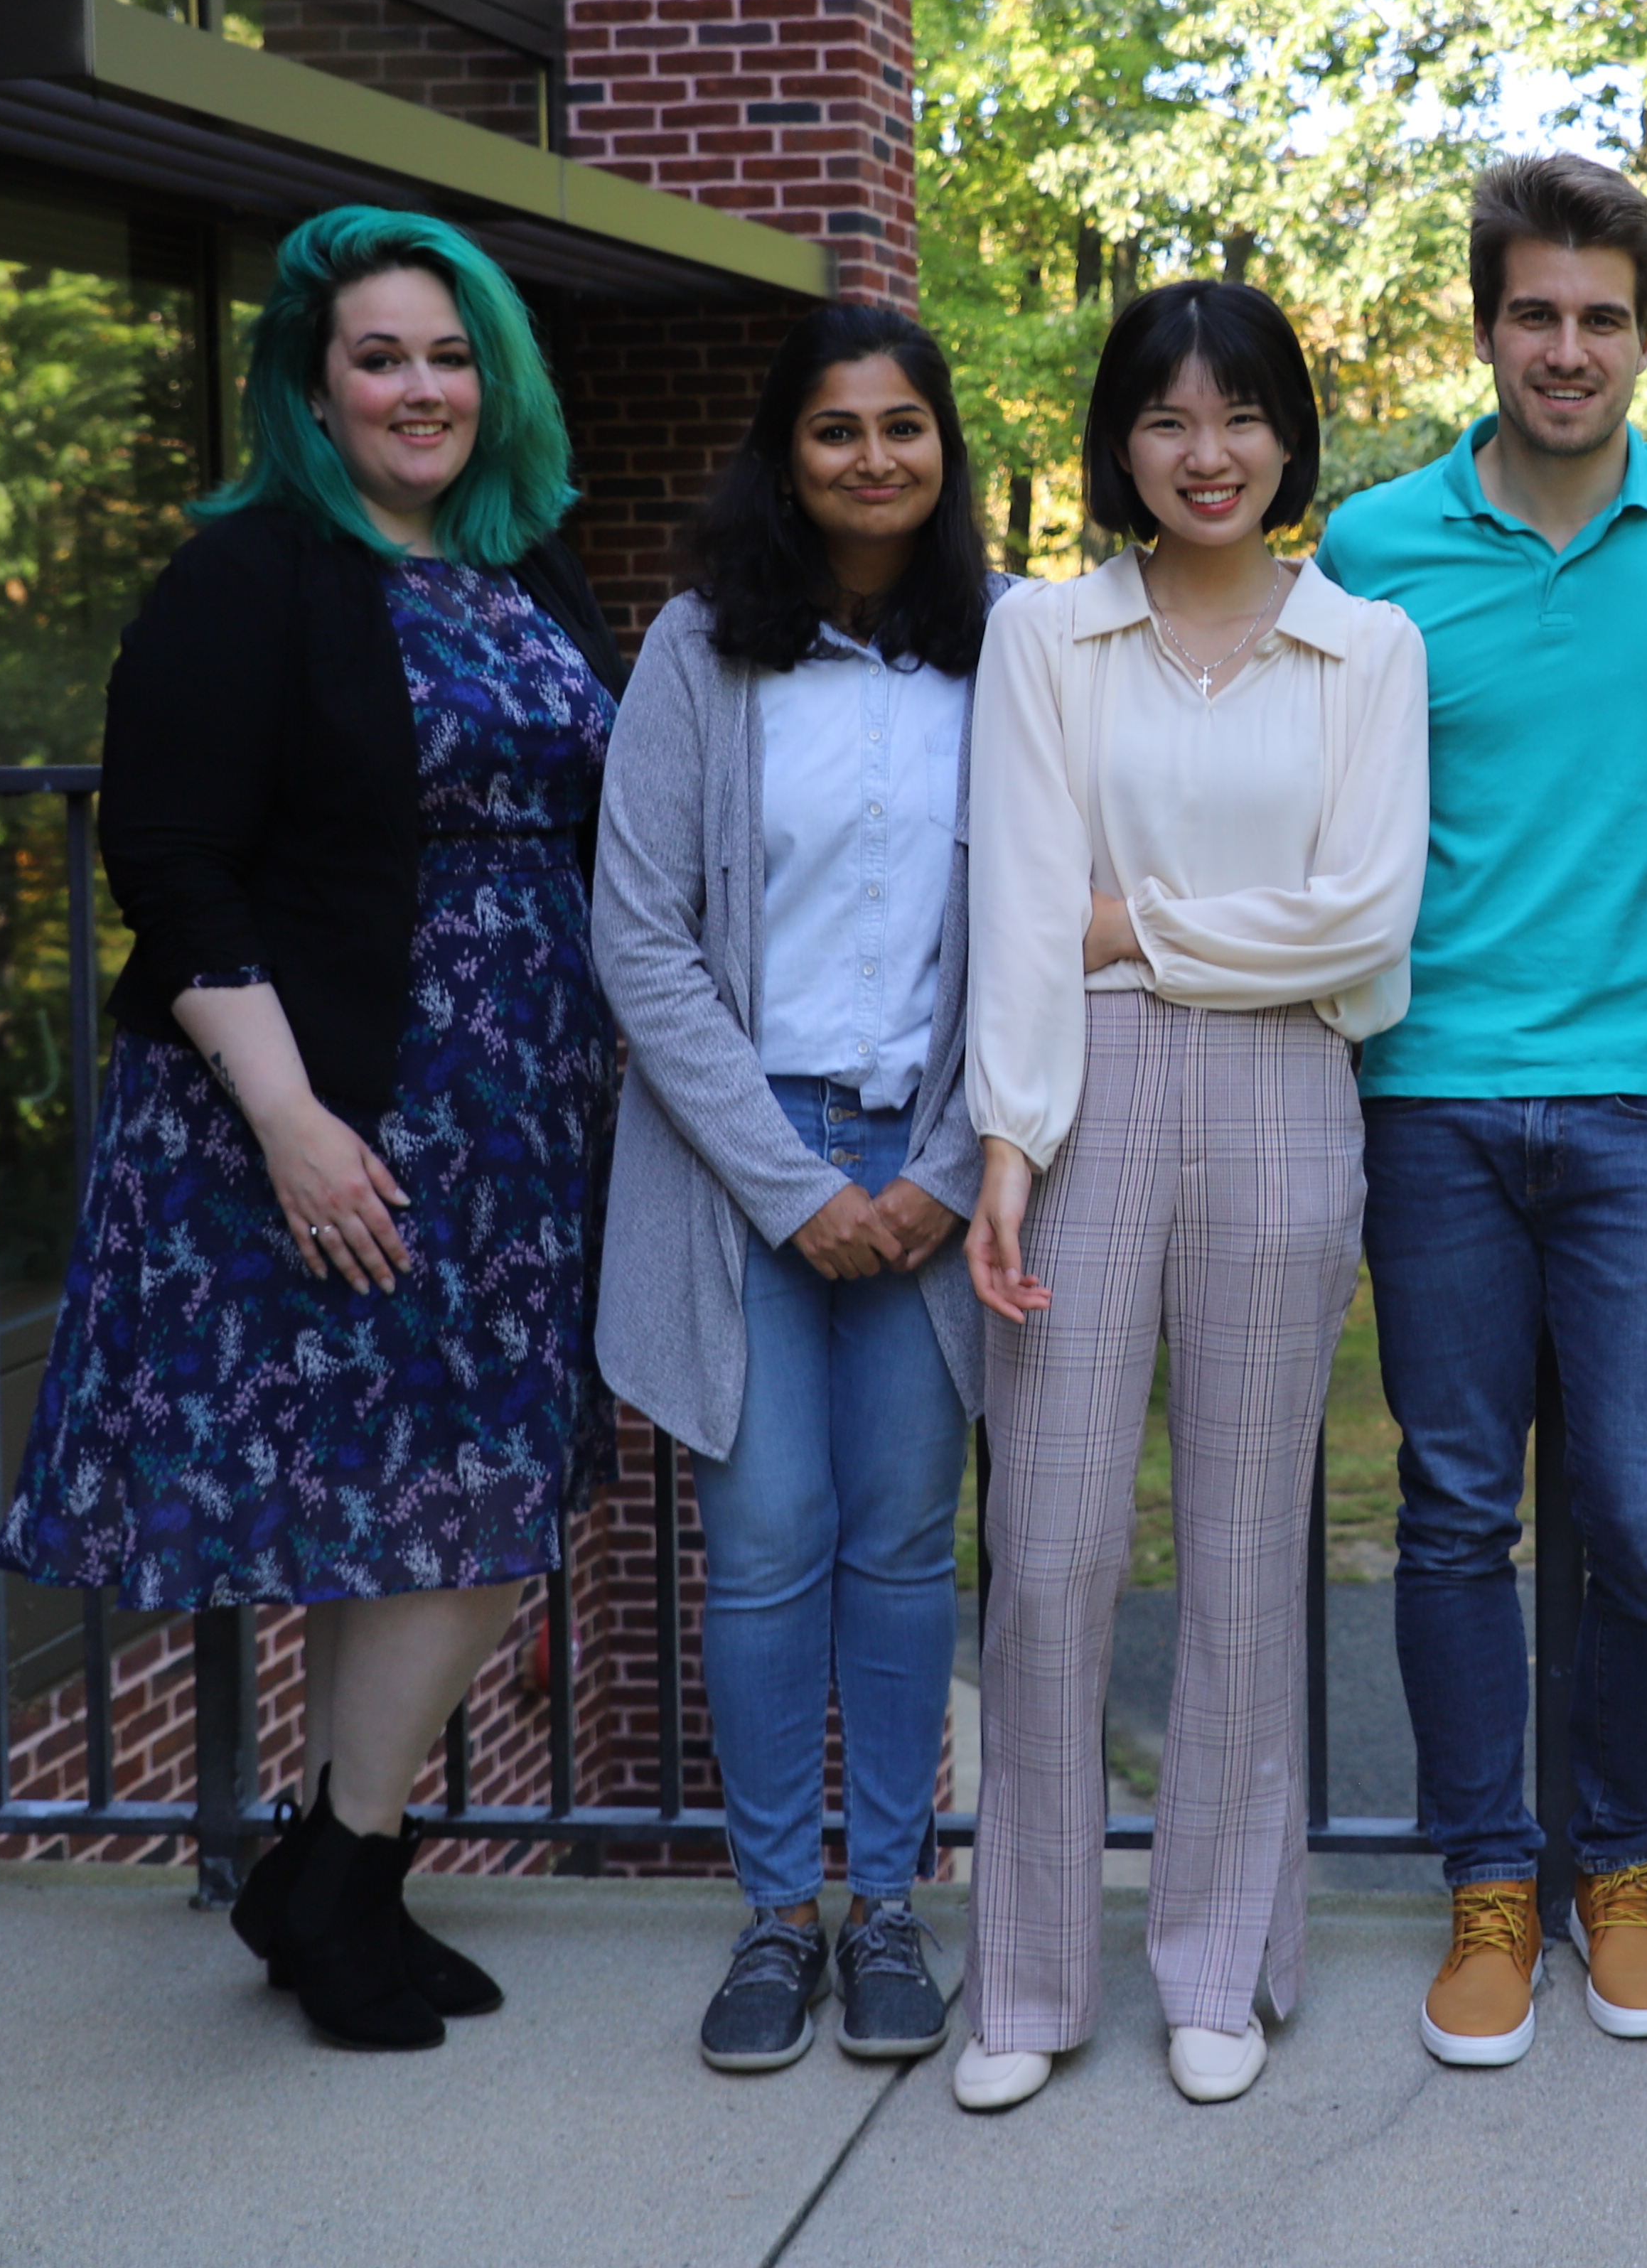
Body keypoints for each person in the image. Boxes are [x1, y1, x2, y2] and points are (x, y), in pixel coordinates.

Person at [0, 206, 622, 2053]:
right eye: (380, 358)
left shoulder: (529, 564)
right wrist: (295, 1124)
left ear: (491, 381)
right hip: (331, 1109)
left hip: (522, 1123)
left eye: (449, 356)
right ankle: (332, 1874)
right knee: (463, 1500)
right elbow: (170, 862)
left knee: (442, 1506)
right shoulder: (250, 573)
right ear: (313, 388)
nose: (421, 389)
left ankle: (343, 1875)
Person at [948, 279, 1429, 2113]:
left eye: (1239, 417)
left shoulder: (1364, 648)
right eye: (1165, 418)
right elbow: (1015, 910)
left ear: (1289, 436)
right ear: (1120, 444)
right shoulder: (1042, 637)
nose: (1205, 453)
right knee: (1053, 1546)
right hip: (1069, 1096)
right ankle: (1029, 1981)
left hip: (1288, 1092)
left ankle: (1224, 1959)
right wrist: (1007, 1139)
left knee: (1243, 1545)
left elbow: (1364, 921)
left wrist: (1128, 927)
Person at [1315, 156, 1647, 2068]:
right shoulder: (1370, 542)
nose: (1566, 350)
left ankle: (1623, 1869)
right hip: (1428, 1099)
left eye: (1601, 317)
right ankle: (1490, 1886)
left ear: (1645, 336)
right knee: (1447, 1511)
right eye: (1534, 314)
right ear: (1482, 324)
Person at [592, 308, 1004, 2075]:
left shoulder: (1012, 649)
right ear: (786, 452)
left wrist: (944, 1166)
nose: (872, 459)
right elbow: (639, 935)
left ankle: (891, 1910)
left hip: (930, 1156)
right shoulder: (700, 650)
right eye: (835, 429)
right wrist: (787, 1185)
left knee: (907, 1548)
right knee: (762, 1548)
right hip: (737, 1163)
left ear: (945, 450)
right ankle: (777, 1919)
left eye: (904, 426)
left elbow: (1033, 943)